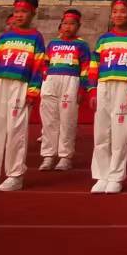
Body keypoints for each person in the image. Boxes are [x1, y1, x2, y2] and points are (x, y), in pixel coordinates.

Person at [0, 0, 46, 193]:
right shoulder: (4, 37)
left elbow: (38, 66)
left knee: (16, 131)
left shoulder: (36, 37)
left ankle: (14, 175)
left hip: (21, 86)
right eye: (16, 11)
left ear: (33, 13)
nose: (19, 15)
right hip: (0, 85)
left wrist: (33, 92)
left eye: (24, 11)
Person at [87, 0, 127, 195]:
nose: (118, 15)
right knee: (102, 133)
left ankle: (116, 176)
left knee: (120, 134)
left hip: (124, 87)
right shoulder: (104, 39)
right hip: (104, 86)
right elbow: (94, 66)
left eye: (123, 11)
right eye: (115, 11)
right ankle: (102, 175)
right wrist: (93, 90)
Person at [38, 9, 89, 171]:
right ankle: (48, 155)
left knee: (67, 120)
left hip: (71, 82)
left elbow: (86, 67)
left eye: (72, 24)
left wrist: (82, 88)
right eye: (65, 23)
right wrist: (45, 78)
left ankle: (65, 156)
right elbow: (45, 63)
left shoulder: (81, 45)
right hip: (51, 81)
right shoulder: (53, 43)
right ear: (60, 25)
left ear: (78, 26)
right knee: (49, 120)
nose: (68, 27)